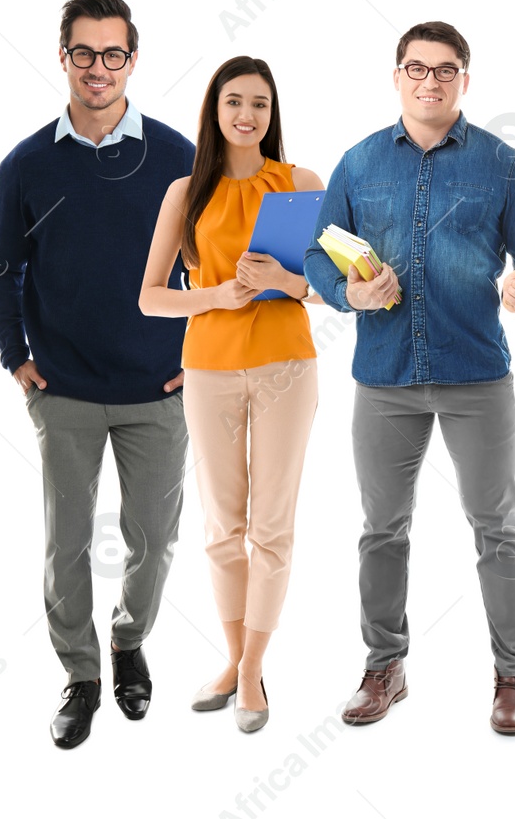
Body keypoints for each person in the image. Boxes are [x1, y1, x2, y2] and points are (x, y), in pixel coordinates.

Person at [304, 21, 515, 734]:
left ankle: (513, 675)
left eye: (445, 71)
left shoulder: (504, 165)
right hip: (383, 376)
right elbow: (321, 257)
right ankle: (385, 664)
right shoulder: (356, 164)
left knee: (498, 527)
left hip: (477, 373)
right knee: (382, 528)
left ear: (464, 82)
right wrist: (348, 293)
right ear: (397, 76)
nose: (430, 81)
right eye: (417, 68)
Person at [0, 0, 194, 749]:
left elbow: (213, 268)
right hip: (64, 390)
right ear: (63, 56)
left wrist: (196, 360)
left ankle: (129, 640)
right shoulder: (28, 164)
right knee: (65, 542)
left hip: (158, 390)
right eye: (83, 53)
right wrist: (17, 359)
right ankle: (81, 673)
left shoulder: (176, 156)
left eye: (112, 54)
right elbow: (0, 267)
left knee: (154, 540)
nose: (97, 69)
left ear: (132, 60)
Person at [138, 56, 326, 732]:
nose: (248, 115)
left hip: (286, 367)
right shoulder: (185, 193)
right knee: (224, 528)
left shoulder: (301, 184)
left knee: (272, 527)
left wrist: (285, 276)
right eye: (235, 102)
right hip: (210, 368)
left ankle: (251, 669)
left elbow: (330, 286)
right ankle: (233, 654)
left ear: (273, 116)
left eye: (261, 105)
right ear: (215, 112)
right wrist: (216, 294)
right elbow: (150, 297)